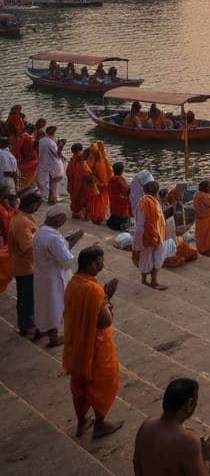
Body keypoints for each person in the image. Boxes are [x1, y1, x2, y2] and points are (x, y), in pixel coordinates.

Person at [63, 245, 122, 438]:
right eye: (101, 261)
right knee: (101, 381)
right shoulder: (94, 290)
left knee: (79, 383)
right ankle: (100, 423)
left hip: (76, 343)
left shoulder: (72, 283)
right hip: (95, 345)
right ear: (95, 262)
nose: (102, 264)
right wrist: (106, 297)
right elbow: (105, 321)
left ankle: (82, 422)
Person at [132, 378, 210, 476]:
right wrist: (207, 456)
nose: (196, 405)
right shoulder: (188, 440)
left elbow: (136, 463)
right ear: (189, 404)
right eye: (195, 401)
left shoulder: (146, 424)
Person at [33, 202, 84, 347]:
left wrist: (71, 240)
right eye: (63, 219)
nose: (63, 222)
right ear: (59, 218)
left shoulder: (40, 232)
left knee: (43, 305)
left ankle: (40, 330)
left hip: (42, 275)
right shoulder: (53, 238)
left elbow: (54, 250)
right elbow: (67, 261)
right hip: (54, 278)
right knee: (54, 306)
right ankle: (53, 338)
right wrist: (74, 244)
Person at [10, 191, 42, 336]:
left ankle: (27, 322)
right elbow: (28, 247)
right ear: (31, 204)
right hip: (25, 266)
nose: (37, 208)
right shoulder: (22, 222)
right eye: (37, 205)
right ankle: (27, 325)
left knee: (25, 296)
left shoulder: (21, 217)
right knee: (27, 297)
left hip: (22, 264)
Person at [133, 179, 168, 290]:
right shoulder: (150, 203)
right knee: (155, 257)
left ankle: (144, 280)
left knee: (146, 257)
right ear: (156, 192)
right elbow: (151, 221)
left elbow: (140, 222)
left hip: (144, 235)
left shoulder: (143, 201)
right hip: (152, 235)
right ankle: (153, 282)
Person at [192, 180, 210, 257]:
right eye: (209, 187)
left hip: (200, 220)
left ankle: (202, 250)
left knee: (202, 237)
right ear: (206, 188)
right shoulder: (205, 196)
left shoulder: (196, 194)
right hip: (208, 220)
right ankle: (209, 252)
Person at [37, 125, 65, 203]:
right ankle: (52, 198)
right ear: (48, 131)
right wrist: (61, 146)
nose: (54, 132)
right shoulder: (49, 141)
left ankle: (50, 197)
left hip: (44, 163)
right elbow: (57, 154)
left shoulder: (43, 140)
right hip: (51, 164)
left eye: (54, 130)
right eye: (52, 130)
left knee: (49, 182)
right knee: (52, 182)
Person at [85, 142, 112, 224]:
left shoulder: (98, 164)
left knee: (98, 203)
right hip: (100, 186)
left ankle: (97, 217)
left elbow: (103, 178)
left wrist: (95, 181)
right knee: (100, 203)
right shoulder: (101, 160)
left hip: (101, 186)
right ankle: (97, 216)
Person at [66, 143, 91, 218]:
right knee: (86, 200)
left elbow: (68, 172)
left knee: (76, 200)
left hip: (74, 185)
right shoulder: (83, 159)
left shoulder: (72, 160)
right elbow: (87, 173)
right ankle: (86, 216)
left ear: (73, 151)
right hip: (83, 185)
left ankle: (76, 214)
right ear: (81, 149)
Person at [107, 162, 132, 231]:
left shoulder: (112, 179)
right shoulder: (119, 179)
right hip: (121, 205)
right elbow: (126, 189)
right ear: (121, 170)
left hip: (114, 203)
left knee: (115, 216)